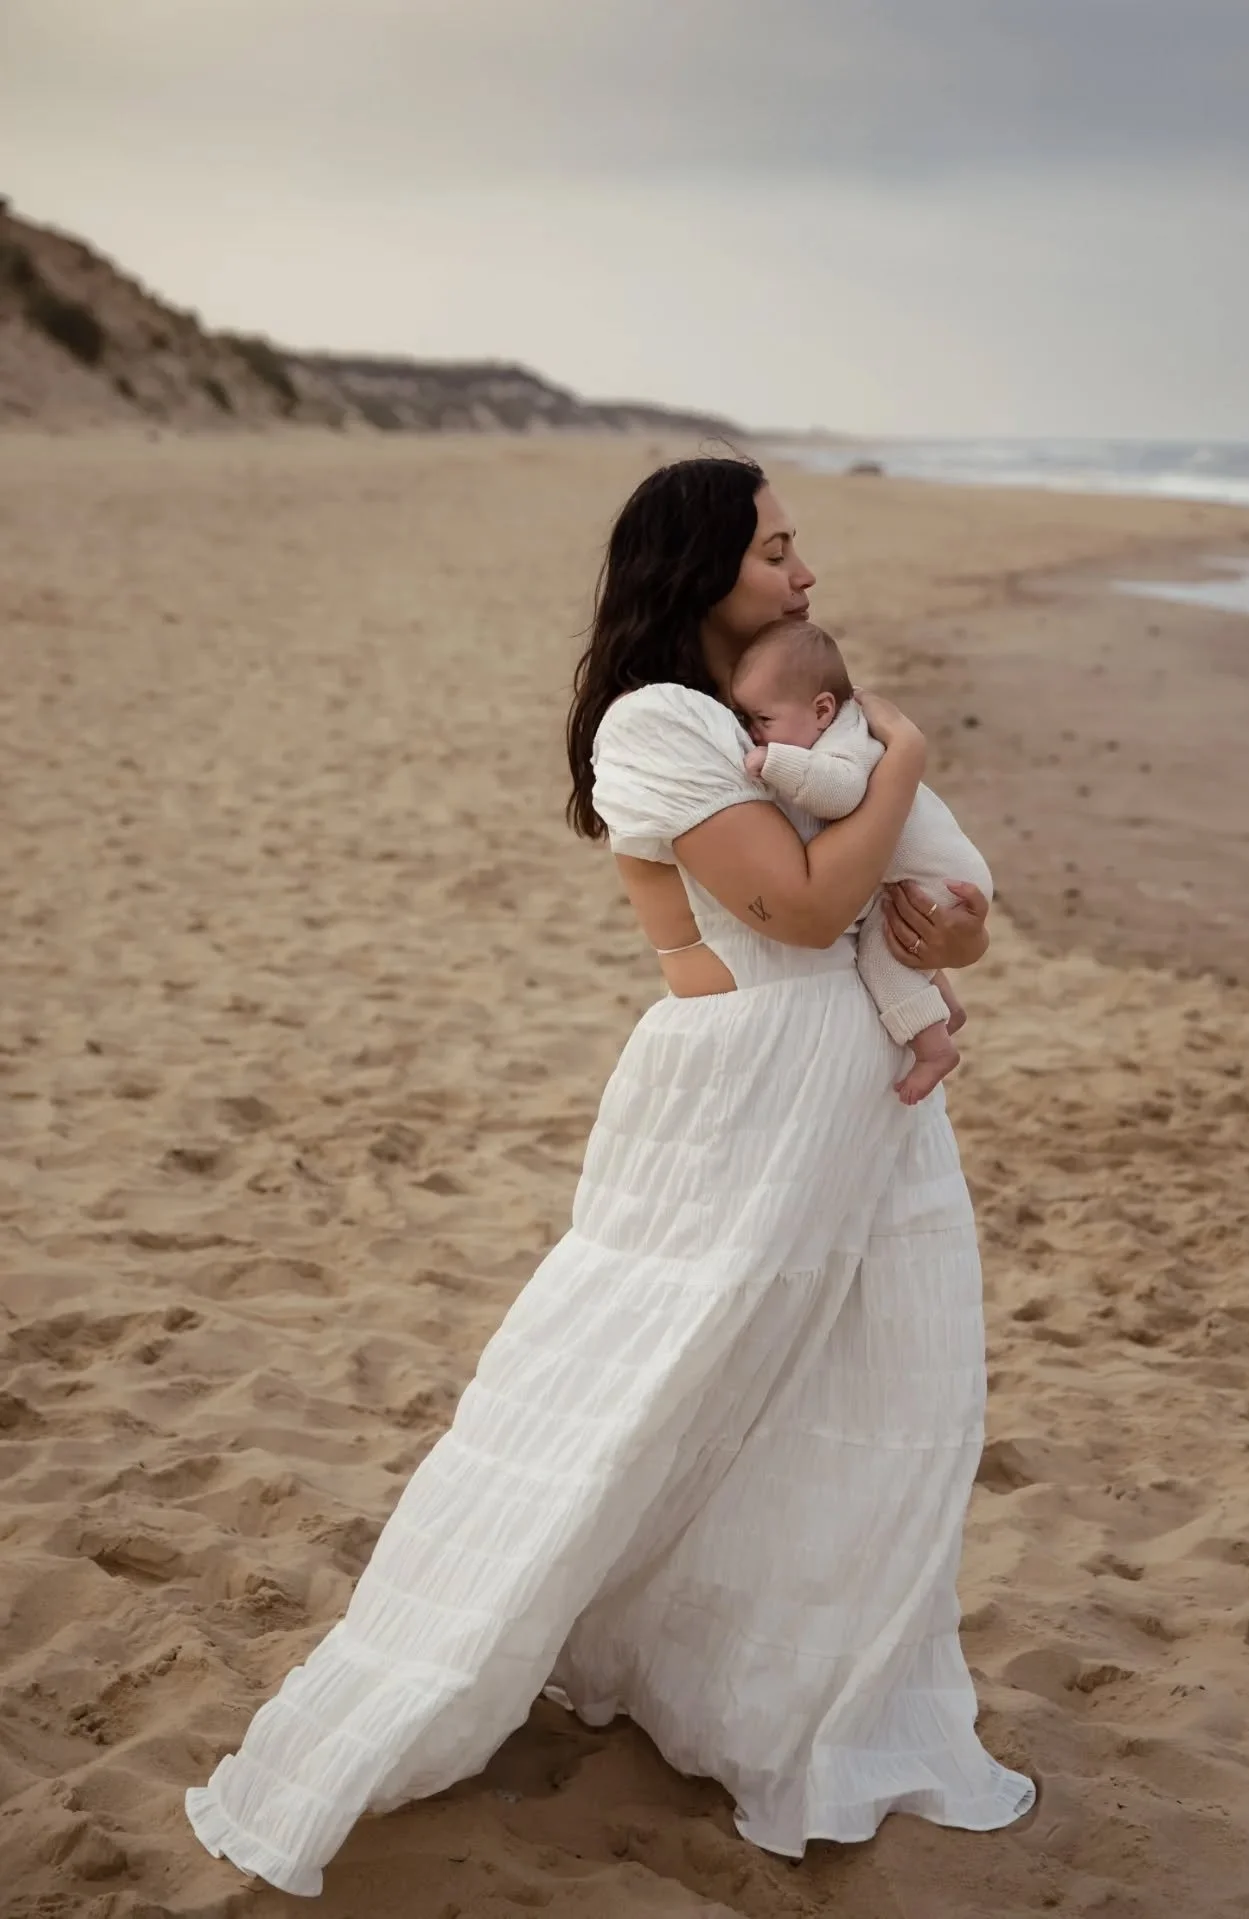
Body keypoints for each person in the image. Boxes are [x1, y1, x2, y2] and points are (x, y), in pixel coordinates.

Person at [185, 455, 1033, 1897]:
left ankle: (774, 1685)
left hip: (862, 1092)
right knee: (645, 1372)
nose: (804, 570)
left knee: (861, 1384)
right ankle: (498, 1643)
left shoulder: (793, 697)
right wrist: (903, 762)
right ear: (699, 563)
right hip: (752, 1084)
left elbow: (906, 917)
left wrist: (950, 939)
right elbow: (807, 900)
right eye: (774, 549)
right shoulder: (659, 725)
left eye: (797, 545)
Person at [731, 616, 993, 1104]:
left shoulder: (844, 742)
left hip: (940, 880)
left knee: (882, 953)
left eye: (763, 722)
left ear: (822, 709)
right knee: (893, 932)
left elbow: (841, 792)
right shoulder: (836, 723)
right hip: (935, 872)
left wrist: (775, 764)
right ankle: (945, 1011)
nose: (754, 734)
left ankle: (935, 1049)